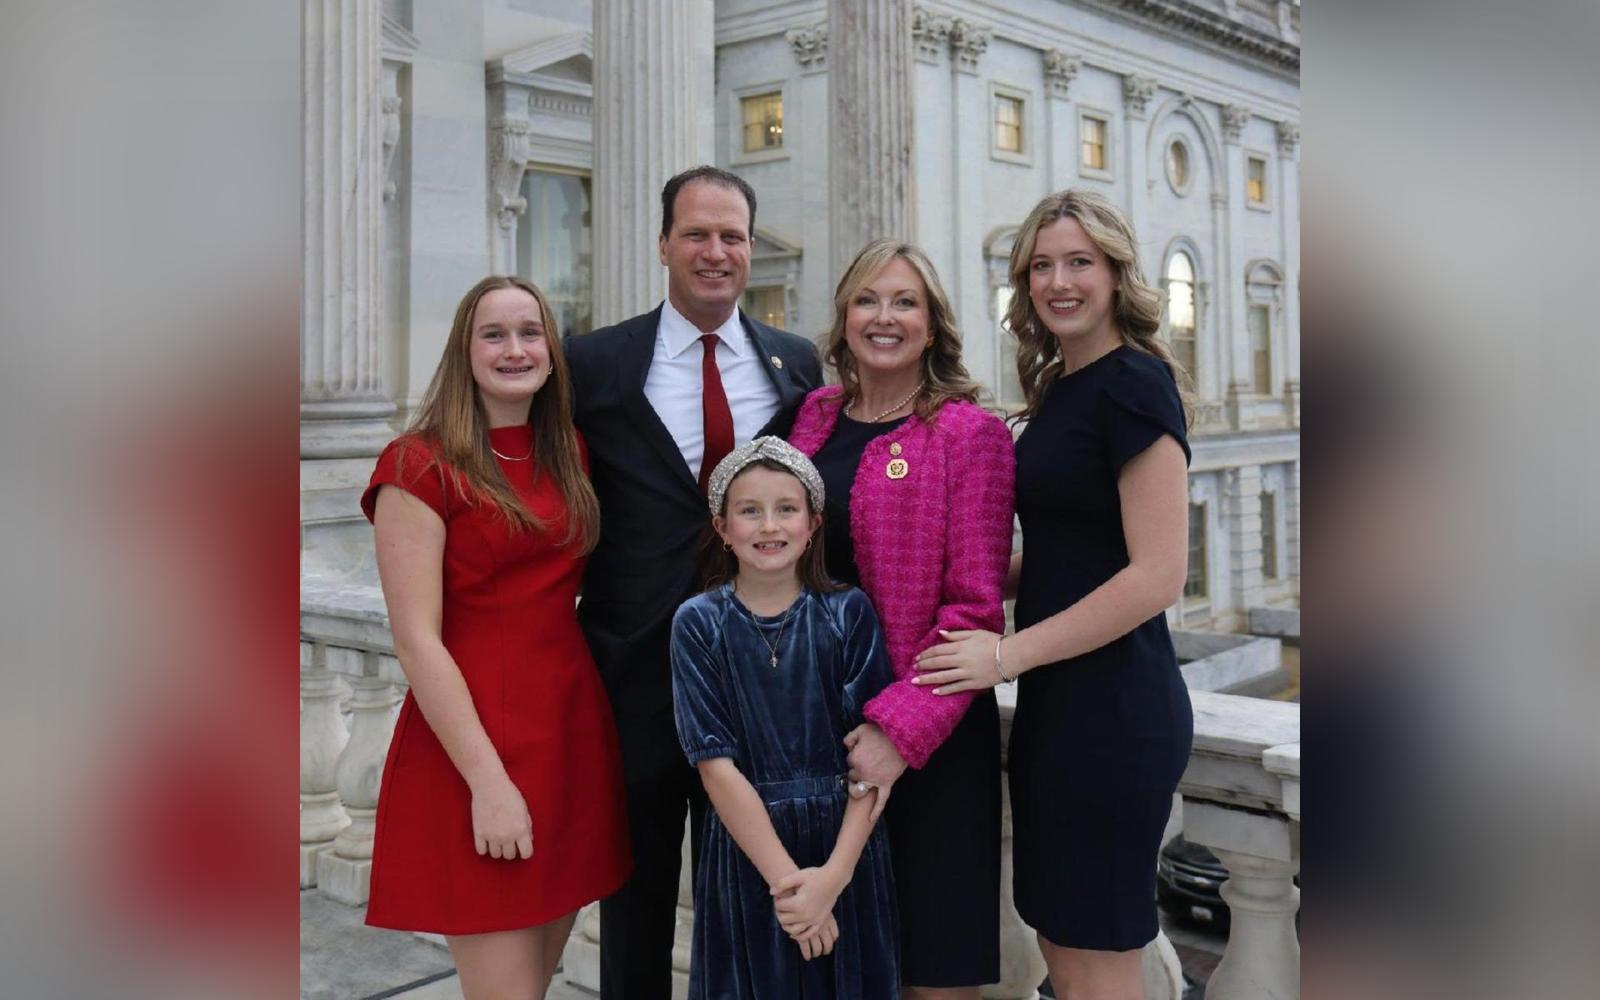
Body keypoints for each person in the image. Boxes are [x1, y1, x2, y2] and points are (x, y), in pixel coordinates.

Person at [914, 190, 1194, 1000]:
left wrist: (1001, 653)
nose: (1059, 281)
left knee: (1097, 964)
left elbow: (1155, 575)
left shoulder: (1136, 384)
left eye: (1080, 263)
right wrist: (956, 582)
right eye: (1042, 265)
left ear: (1115, 275)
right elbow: (1069, 556)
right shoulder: (1060, 392)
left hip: (1115, 711)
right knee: (1062, 952)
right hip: (1058, 705)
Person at [565, 165, 824, 999]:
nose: (716, 252)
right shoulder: (593, 363)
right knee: (634, 900)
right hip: (631, 670)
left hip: (761, 675)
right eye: (698, 235)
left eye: (733, 236)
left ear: (750, 249)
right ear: (664, 246)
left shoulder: (795, 365)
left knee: (755, 895)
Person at [360, 276, 631, 1000]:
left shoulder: (569, 449)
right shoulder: (417, 465)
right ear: (465, 349)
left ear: (551, 349)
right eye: (494, 334)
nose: (515, 349)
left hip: (571, 735)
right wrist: (489, 784)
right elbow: (417, 641)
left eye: (530, 332)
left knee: (533, 985)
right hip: (474, 748)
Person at [787, 239, 1015, 999]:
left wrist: (898, 729)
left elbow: (973, 609)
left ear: (933, 323)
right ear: (844, 317)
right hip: (818, 734)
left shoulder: (968, 435)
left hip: (930, 743)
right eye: (867, 300)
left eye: (904, 302)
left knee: (932, 973)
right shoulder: (811, 421)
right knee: (829, 963)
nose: (884, 317)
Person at [670, 436, 899, 999]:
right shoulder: (698, 624)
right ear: (723, 528)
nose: (769, 526)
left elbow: (873, 760)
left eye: (786, 509)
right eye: (749, 511)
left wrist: (833, 880)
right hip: (752, 850)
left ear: (813, 523)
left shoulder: (848, 612)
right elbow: (715, 768)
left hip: (844, 844)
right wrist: (790, 891)